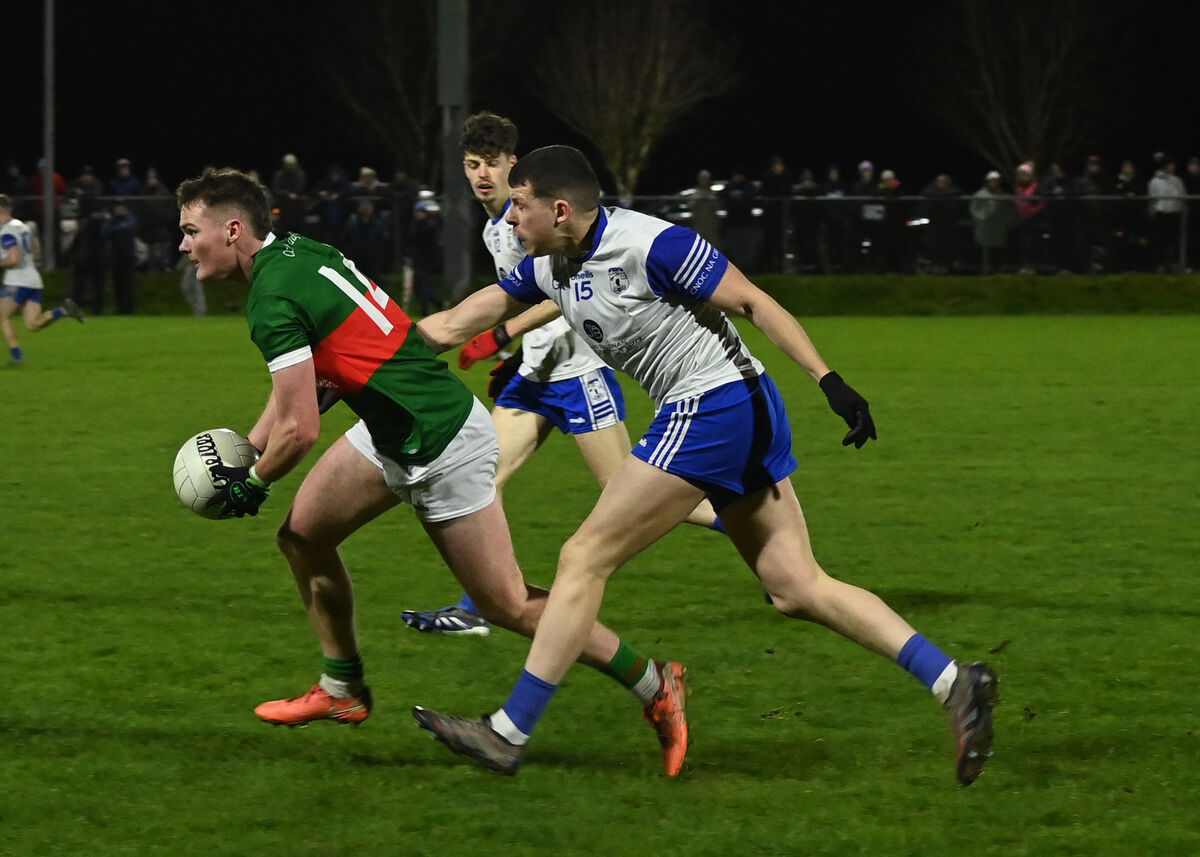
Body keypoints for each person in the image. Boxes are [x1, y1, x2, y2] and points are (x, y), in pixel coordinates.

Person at [411, 145, 999, 785]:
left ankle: (508, 732)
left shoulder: (651, 244)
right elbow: (452, 324)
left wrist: (829, 380)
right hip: (727, 409)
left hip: (717, 404)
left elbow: (752, 301)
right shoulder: (552, 264)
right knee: (795, 586)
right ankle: (956, 681)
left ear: (558, 209)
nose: (510, 218)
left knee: (584, 557)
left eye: (520, 206)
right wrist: (363, 352)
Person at [173, 167, 690, 773]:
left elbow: (301, 427)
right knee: (303, 536)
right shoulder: (297, 253)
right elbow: (317, 381)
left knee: (506, 604)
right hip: (392, 427)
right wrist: (248, 451)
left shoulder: (270, 297)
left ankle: (654, 682)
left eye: (189, 230)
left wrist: (254, 481)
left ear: (232, 229)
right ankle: (342, 690)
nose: (183, 244)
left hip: (441, 441)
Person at [401, 112, 724, 637]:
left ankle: (748, 526)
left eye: (492, 164)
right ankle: (479, 606)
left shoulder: (532, 217)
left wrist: (500, 335)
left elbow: (559, 289)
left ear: (513, 164)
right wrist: (514, 356)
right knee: (482, 479)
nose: (482, 174)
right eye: (471, 164)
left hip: (578, 375)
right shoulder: (495, 226)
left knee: (632, 493)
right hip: (534, 377)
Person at [1, 194, 84, 365]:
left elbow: (14, 259)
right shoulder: (22, 226)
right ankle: (63, 311)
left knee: (3, 317)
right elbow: (36, 249)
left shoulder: (5, 231)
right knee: (33, 324)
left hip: (16, 281)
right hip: (34, 280)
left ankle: (17, 357)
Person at [969, 170, 1013, 273]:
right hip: (984, 228)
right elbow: (974, 210)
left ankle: (997, 271)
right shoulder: (980, 194)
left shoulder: (1002, 195)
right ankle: (983, 270)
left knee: (997, 251)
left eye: (997, 181)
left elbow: (1008, 210)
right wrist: (982, 218)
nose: (995, 183)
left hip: (998, 228)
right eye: (992, 181)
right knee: (984, 250)